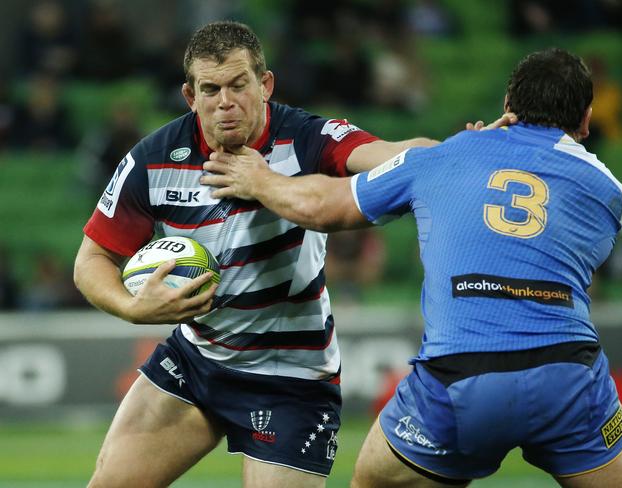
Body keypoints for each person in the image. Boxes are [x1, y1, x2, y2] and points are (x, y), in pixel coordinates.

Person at [73, 20, 509, 487]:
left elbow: (394, 154)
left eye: (239, 85)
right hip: (197, 361)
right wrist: (131, 307)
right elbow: (91, 261)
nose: (225, 101)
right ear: (189, 96)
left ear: (265, 85)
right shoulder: (152, 160)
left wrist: (457, 154)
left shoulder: (308, 138)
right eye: (210, 89)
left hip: (292, 378)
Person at [206, 48, 622, 487]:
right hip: (568, 377)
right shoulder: (611, 194)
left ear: (507, 107)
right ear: (587, 119)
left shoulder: (440, 159)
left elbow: (324, 207)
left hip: (459, 380)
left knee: (374, 479)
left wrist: (259, 180)